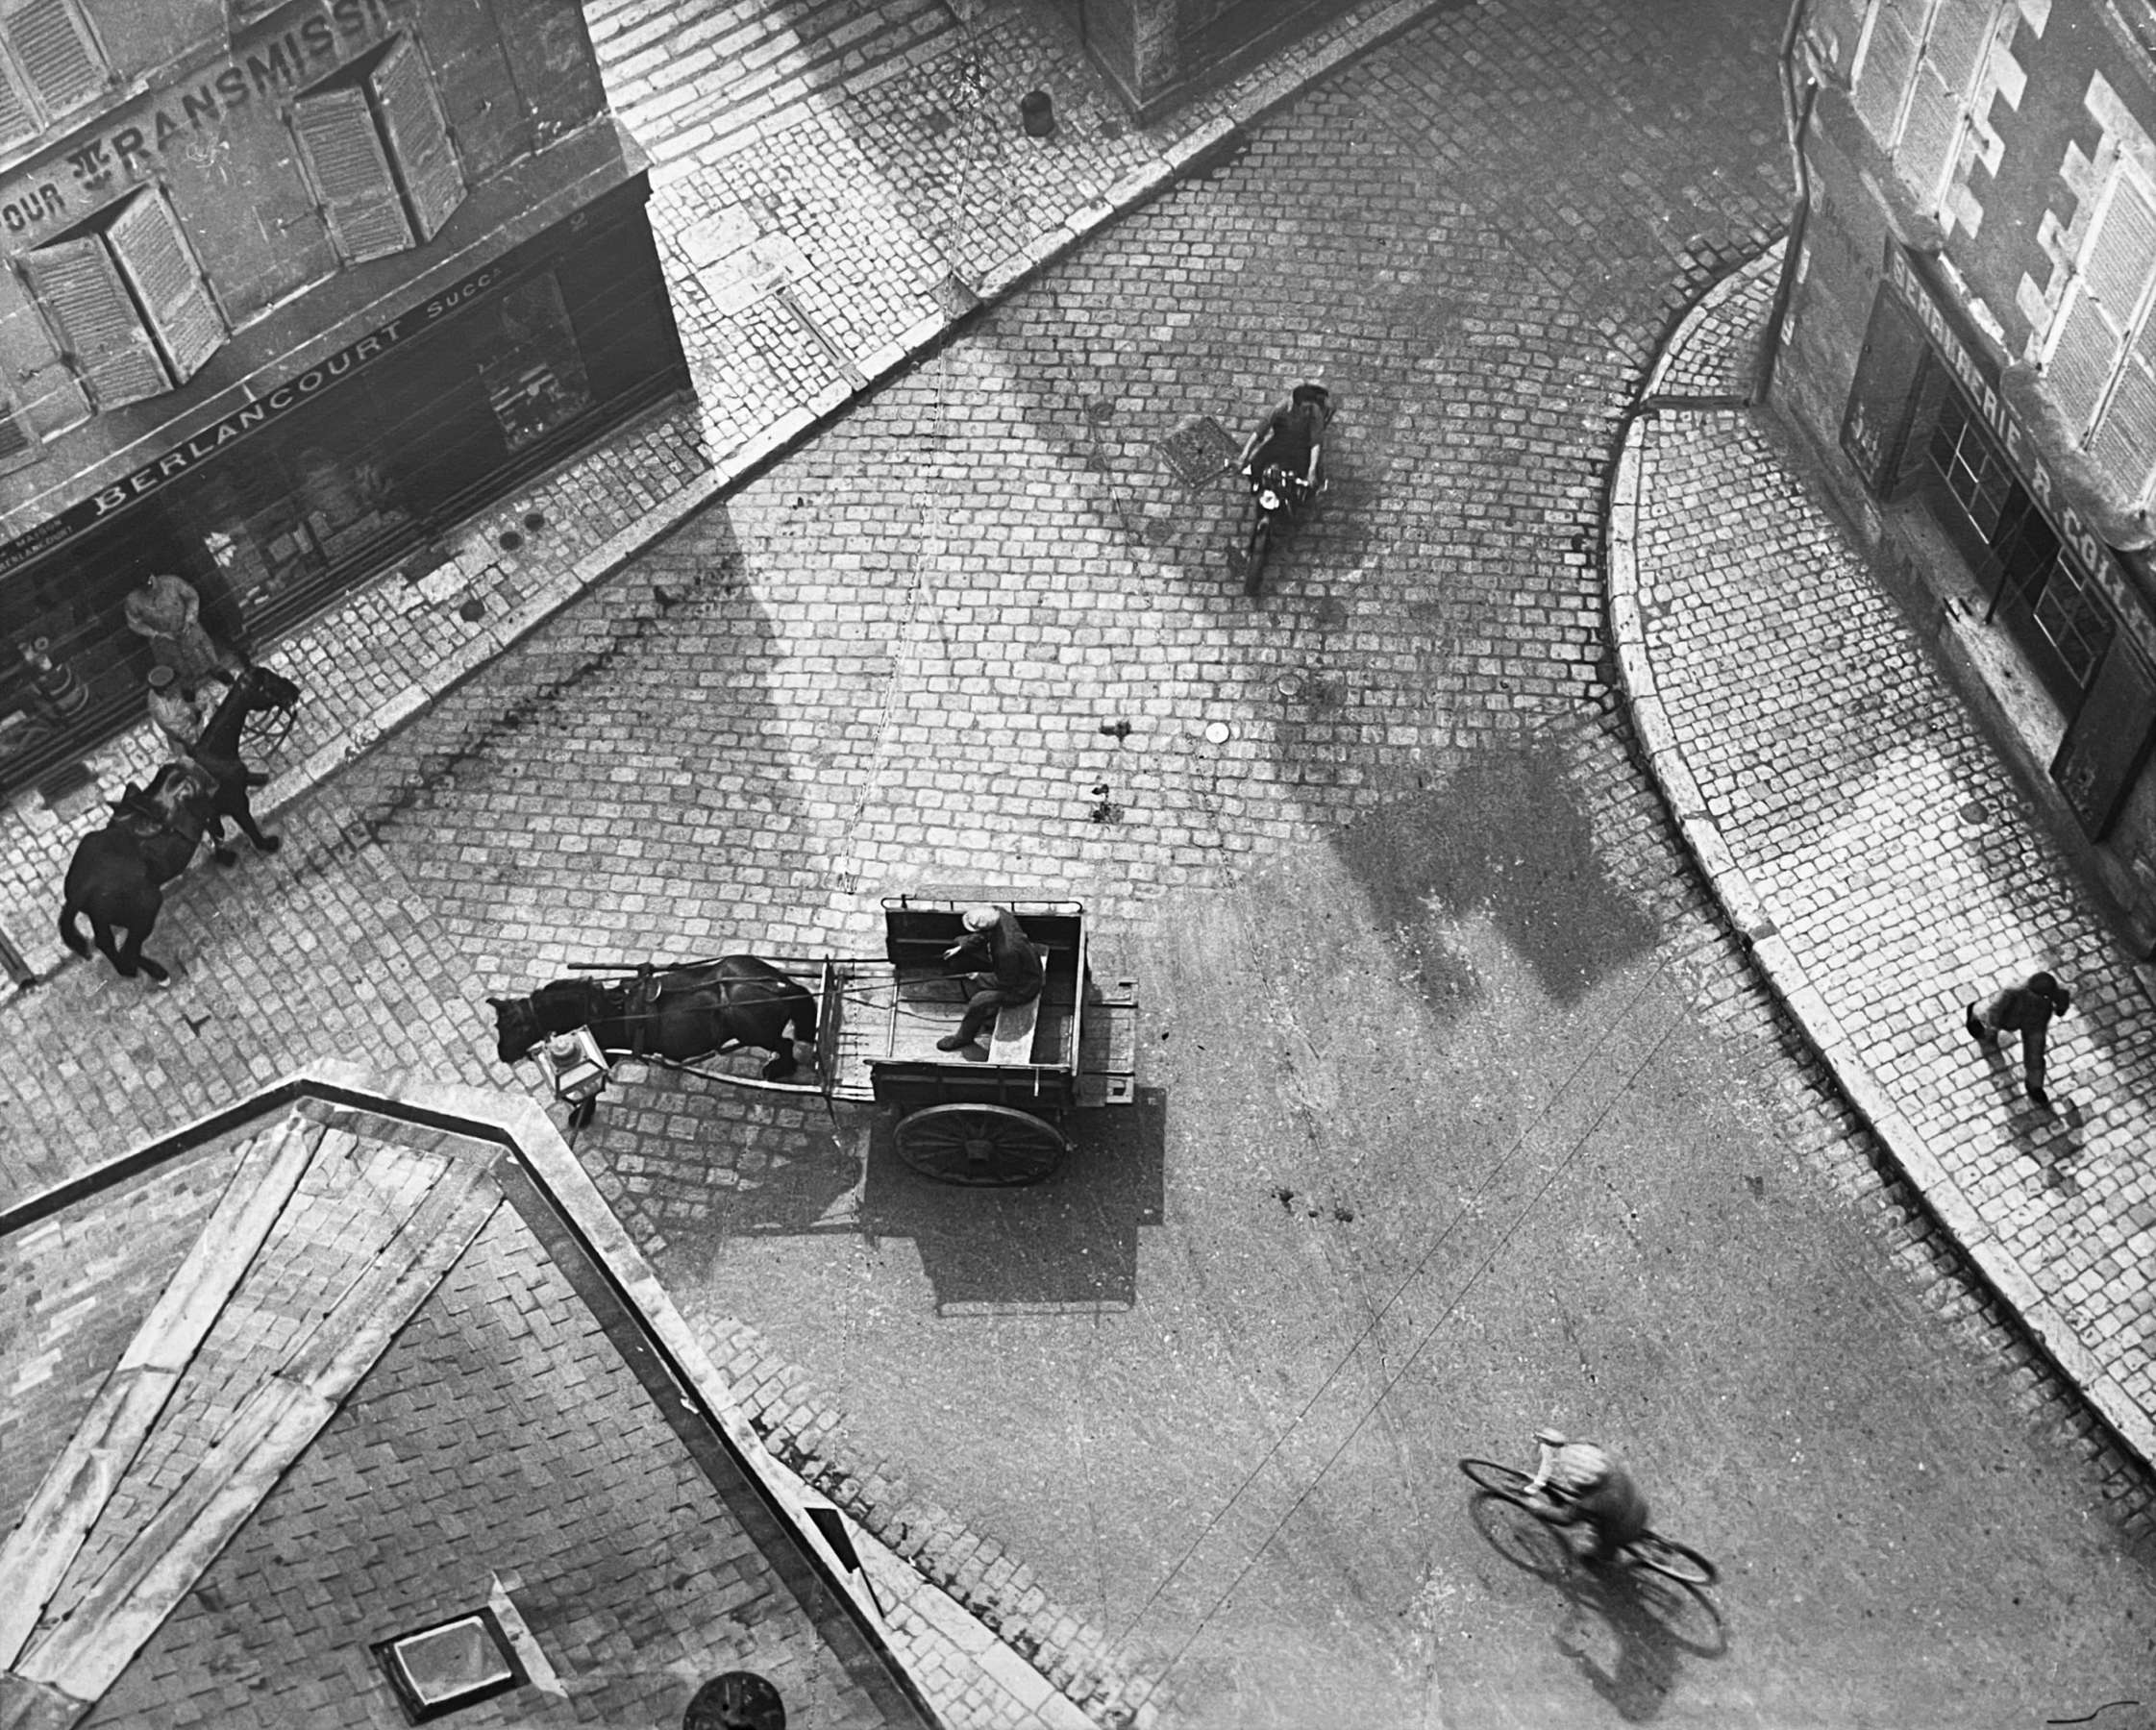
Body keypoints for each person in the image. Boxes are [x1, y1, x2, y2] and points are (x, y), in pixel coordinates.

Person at [1523, 1426, 1650, 1566]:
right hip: (1639, 1506)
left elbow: (1566, 1518)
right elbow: (1591, 1446)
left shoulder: (1595, 1501)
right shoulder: (1610, 1466)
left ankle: (1605, 1556)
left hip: (1621, 1530)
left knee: (1605, 1544)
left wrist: (1539, 1508)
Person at [935, 903, 1045, 1051]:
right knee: (960, 942)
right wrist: (961, 947)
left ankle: (963, 1038)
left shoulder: (1006, 952)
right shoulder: (999, 913)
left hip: (1023, 986)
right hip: (1016, 963)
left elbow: (1005, 982)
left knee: (979, 1001)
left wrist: (978, 976)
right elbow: (984, 934)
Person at [1966, 970, 2071, 1105]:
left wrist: (2060, 1008)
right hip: (2009, 1016)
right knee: (1983, 1013)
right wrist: (1991, 1029)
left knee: (2035, 1056)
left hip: (2035, 1025)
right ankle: (1975, 1018)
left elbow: (2062, 1002)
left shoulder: (2055, 991)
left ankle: (2034, 1085)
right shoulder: (2013, 991)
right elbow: (1994, 1011)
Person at [123, 572, 241, 683]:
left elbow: (192, 596)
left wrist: (190, 618)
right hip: (165, 639)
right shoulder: (133, 600)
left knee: (207, 657)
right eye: (145, 589)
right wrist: (156, 633)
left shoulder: (172, 582)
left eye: (150, 585)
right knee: (181, 672)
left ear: (152, 577)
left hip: (187, 628)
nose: (150, 591)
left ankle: (220, 675)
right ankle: (191, 689)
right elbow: (134, 624)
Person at [1238, 382, 1330, 497]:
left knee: (1307, 477)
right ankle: (1257, 483)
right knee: (1256, 464)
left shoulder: (1315, 412)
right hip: (1280, 441)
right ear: (1296, 406)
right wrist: (1244, 456)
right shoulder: (1280, 409)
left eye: (1309, 408)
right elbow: (1259, 432)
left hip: (1302, 445)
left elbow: (1315, 442)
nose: (1307, 412)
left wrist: (1312, 469)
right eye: (1304, 408)